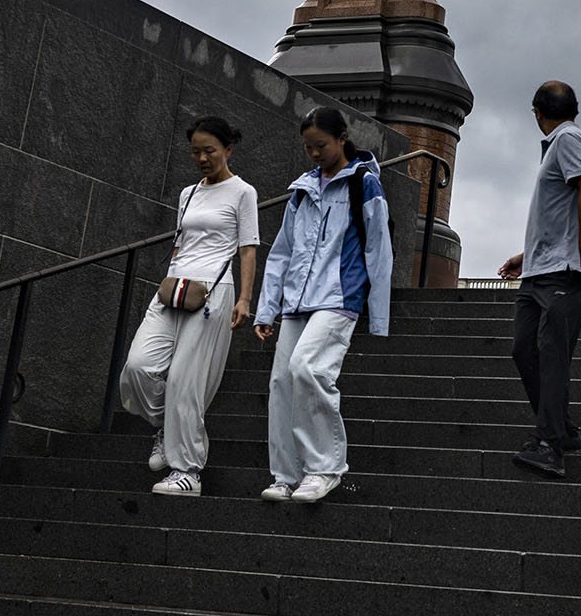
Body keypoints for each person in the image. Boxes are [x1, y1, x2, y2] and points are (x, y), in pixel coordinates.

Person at [254, 107, 392, 503]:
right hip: (297, 300)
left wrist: (378, 315)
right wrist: (268, 309)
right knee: (281, 382)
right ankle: (285, 474)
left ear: (343, 138)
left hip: (339, 296)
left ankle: (325, 468)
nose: (314, 153)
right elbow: (282, 251)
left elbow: (378, 249)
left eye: (321, 145)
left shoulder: (363, 184)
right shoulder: (302, 189)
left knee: (307, 368)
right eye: (308, 147)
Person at [120, 116, 259, 496]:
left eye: (209, 151)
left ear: (228, 149)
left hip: (213, 292)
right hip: (173, 288)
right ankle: (168, 428)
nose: (201, 158)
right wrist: (171, 279)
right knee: (139, 367)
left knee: (185, 380)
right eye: (195, 151)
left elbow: (247, 248)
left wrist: (245, 298)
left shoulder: (243, 192)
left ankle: (188, 472)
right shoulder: (188, 193)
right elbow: (182, 242)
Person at [497, 81, 581, 480]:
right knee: (523, 349)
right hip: (539, 269)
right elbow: (558, 211)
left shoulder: (568, 139)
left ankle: (548, 444)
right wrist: (527, 256)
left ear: (537, 113)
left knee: (550, 352)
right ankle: (563, 429)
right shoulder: (558, 145)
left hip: (563, 272)